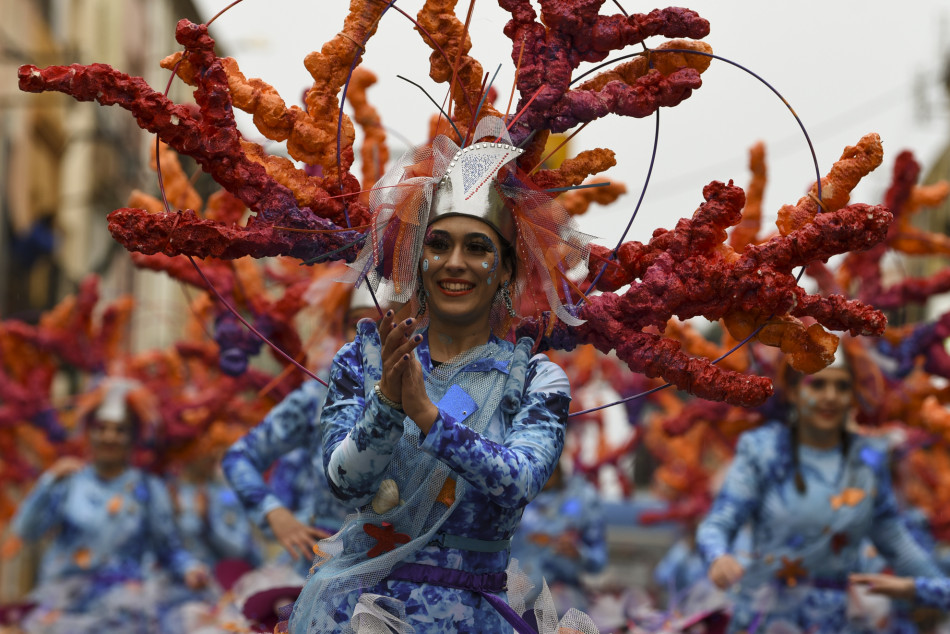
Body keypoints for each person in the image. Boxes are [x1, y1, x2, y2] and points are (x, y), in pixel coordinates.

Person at [287, 117, 590, 633]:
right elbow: (344, 482)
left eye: (477, 247)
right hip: (364, 615)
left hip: (475, 617)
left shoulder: (534, 380)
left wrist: (428, 416)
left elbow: (518, 480)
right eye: (439, 244)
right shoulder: (364, 361)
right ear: (416, 256)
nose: (455, 263)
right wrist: (386, 403)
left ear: (507, 268)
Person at [696, 354, 942, 633]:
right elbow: (719, 523)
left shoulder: (868, 459)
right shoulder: (763, 450)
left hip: (834, 623)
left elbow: (896, 540)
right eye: (818, 384)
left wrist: (929, 588)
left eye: (841, 387)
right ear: (793, 389)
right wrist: (718, 557)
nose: (830, 396)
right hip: (764, 618)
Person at [10, 378, 208, 633]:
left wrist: (191, 568)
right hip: (65, 607)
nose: (109, 436)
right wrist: (48, 481)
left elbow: (169, 550)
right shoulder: (69, 483)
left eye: (120, 429)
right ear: (88, 431)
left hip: (126, 610)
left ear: (134, 436)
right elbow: (26, 531)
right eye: (101, 427)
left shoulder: (150, 488)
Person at [510, 462, 607, 614]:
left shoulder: (583, 497)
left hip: (561, 599)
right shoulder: (508, 492)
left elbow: (599, 560)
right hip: (512, 594)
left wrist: (579, 553)